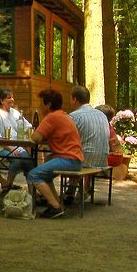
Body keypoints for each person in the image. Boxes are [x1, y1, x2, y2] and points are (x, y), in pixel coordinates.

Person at [27, 89, 83, 218]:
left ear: (49, 105)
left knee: (33, 175)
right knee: (46, 167)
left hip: (68, 159)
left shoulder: (51, 117)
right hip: (75, 159)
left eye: (41, 103)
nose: (40, 106)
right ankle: (57, 203)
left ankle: (55, 206)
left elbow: (35, 138)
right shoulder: (63, 115)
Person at [65, 85, 109, 204]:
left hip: (85, 159)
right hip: (103, 159)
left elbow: (65, 139)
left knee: (55, 158)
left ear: (74, 99)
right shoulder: (102, 115)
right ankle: (71, 191)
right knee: (77, 152)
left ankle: (52, 193)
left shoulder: (74, 116)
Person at [0, 88, 33, 192]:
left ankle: (26, 189)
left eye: (12, 97)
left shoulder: (15, 113)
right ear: (1, 100)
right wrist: (11, 148)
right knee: (23, 159)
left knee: (27, 160)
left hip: (16, 145)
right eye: (9, 98)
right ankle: (10, 185)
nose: (12, 99)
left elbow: (28, 126)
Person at [96, 104, 128, 180]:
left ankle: (101, 171)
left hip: (111, 157)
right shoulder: (109, 127)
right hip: (117, 157)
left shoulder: (103, 129)